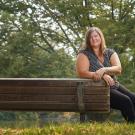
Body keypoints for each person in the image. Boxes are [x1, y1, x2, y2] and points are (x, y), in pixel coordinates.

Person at [76, 26, 135, 123]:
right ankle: (132, 126)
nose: (94, 39)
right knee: (126, 101)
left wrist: (104, 70)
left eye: (96, 36)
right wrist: (101, 76)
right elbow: (82, 72)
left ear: (100, 37)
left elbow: (118, 69)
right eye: (91, 37)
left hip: (113, 85)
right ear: (88, 40)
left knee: (133, 98)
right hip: (97, 89)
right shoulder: (83, 54)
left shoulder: (109, 52)